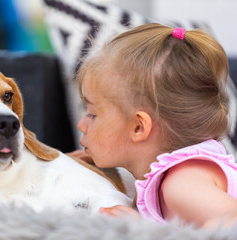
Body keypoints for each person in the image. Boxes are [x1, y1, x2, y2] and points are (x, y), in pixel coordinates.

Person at [69, 23, 237, 229]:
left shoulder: (182, 184)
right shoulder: (176, 176)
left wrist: (146, 231)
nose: (81, 124)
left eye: (93, 114)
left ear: (139, 127)